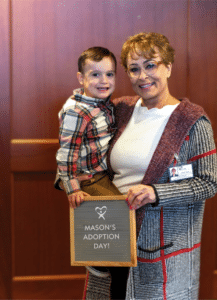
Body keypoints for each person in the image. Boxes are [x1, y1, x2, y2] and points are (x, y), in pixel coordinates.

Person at [105, 32, 217, 299]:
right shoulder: (120, 110)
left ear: (168, 67)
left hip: (161, 246)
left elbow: (208, 182)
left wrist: (156, 193)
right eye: (134, 69)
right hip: (112, 234)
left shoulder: (192, 120)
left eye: (151, 65)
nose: (142, 76)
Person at [54, 47, 129, 300]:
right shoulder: (77, 111)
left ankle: (108, 260)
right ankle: (98, 258)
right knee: (120, 217)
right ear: (80, 78)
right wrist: (72, 186)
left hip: (101, 172)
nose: (104, 81)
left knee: (120, 214)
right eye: (95, 75)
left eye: (109, 74)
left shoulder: (102, 104)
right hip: (87, 176)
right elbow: (66, 153)